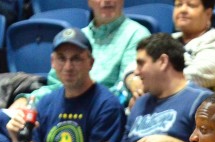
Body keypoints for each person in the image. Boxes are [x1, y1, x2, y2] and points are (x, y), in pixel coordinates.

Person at [1, 29, 125, 142]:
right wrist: (17, 141)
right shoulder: (46, 103)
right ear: (52, 62)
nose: (68, 66)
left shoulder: (106, 105)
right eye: (61, 58)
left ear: (91, 62)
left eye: (76, 59)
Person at [120, 33, 211, 142]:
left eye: (141, 64)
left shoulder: (201, 102)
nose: (136, 73)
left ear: (162, 61)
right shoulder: (140, 103)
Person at [17, 0, 150, 107]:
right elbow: (55, 86)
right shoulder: (79, 37)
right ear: (89, 1)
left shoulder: (137, 34)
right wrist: (27, 101)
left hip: (102, 111)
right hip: (63, 106)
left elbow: (124, 90)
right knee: (6, 118)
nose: (107, 1)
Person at [125, 0, 215, 97]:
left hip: (212, 114)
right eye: (179, 5)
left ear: (208, 13)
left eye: (191, 5)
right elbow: (134, 65)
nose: (183, 10)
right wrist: (133, 81)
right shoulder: (170, 39)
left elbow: (201, 75)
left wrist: (151, 82)